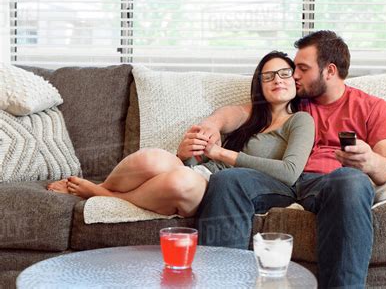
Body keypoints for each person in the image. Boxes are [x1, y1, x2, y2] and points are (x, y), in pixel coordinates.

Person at [178, 31, 386, 288]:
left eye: (303, 69)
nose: (294, 75)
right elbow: (240, 112)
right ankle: (220, 283)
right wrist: (212, 125)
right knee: (228, 180)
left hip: (329, 182)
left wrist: (371, 162)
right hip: (279, 178)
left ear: (329, 71)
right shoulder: (292, 98)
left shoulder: (373, 108)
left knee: (352, 181)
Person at [47, 51, 315, 218]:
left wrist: (221, 153)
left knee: (179, 182)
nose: (277, 80)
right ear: (260, 85)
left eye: (284, 73)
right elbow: (204, 159)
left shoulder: (300, 120)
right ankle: (104, 186)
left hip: (219, 191)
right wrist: (188, 156)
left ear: (295, 81)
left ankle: (102, 195)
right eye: (268, 76)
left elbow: (289, 172)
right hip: (202, 173)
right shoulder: (248, 116)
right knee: (152, 158)